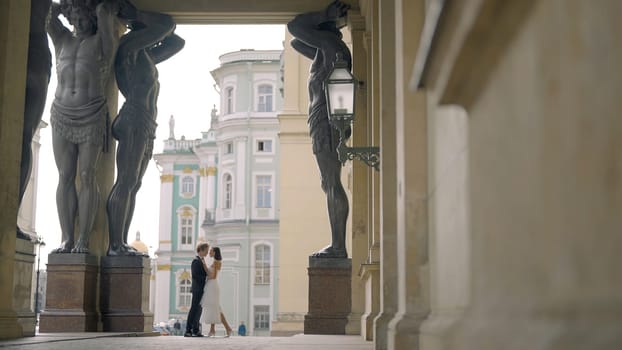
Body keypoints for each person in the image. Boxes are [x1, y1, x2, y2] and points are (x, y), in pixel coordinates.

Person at [106, 3, 185, 256]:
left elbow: (176, 42)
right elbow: (166, 26)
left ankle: (121, 243)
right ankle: (115, 245)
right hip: (133, 119)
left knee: (134, 184)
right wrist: (137, 14)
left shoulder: (146, 56)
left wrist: (148, 22)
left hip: (147, 123)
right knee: (126, 181)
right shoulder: (129, 48)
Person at [46, 0, 118, 253]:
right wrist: (64, 5)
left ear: (91, 15)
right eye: (74, 15)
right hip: (61, 113)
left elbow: (107, 18)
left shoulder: (102, 40)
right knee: (64, 176)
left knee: (87, 176)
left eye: (82, 14)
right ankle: (66, 237)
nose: (77, 20)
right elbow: (47, 13)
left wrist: (99, 10)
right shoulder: (62, 39)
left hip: (92, 113)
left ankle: (83, 240)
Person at [287, 0, 351, 258]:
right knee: (329, 182)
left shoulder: (330, 45)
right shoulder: (325, 50)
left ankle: (338, 246)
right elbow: (296, 42)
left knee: (332, 182)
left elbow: (294, 27)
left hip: (326, 120)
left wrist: (324, 14)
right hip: (323, 119)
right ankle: (337, 244)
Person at [17, 0, 53, 240]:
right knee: (23, 138)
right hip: (37, 51)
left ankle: (11, 215)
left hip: (35, 52)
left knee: (23, 138)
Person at [200, 247, 233, 337]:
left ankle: (223, 329)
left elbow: (213, 276)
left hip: (212, 285)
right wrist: (204, 265)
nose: (209, 252)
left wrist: (205, 276)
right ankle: (217, 330)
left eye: (210, 251)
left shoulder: (216, 262)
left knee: (215, 308)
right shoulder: (215, 262)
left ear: (214, 252)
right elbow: (210, 272)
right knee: (215, 308)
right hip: (212, 285)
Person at [184, 242, 209, 337]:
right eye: (206, 251)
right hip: (197, 288)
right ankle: (188, 330)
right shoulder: (196, 261)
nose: (207, 253)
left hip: (202, 289)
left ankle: (196, 330)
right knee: (194, 309)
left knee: (199, 310)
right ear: (201, 250)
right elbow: (195, 276)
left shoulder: (202, 260)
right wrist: (206, 278)